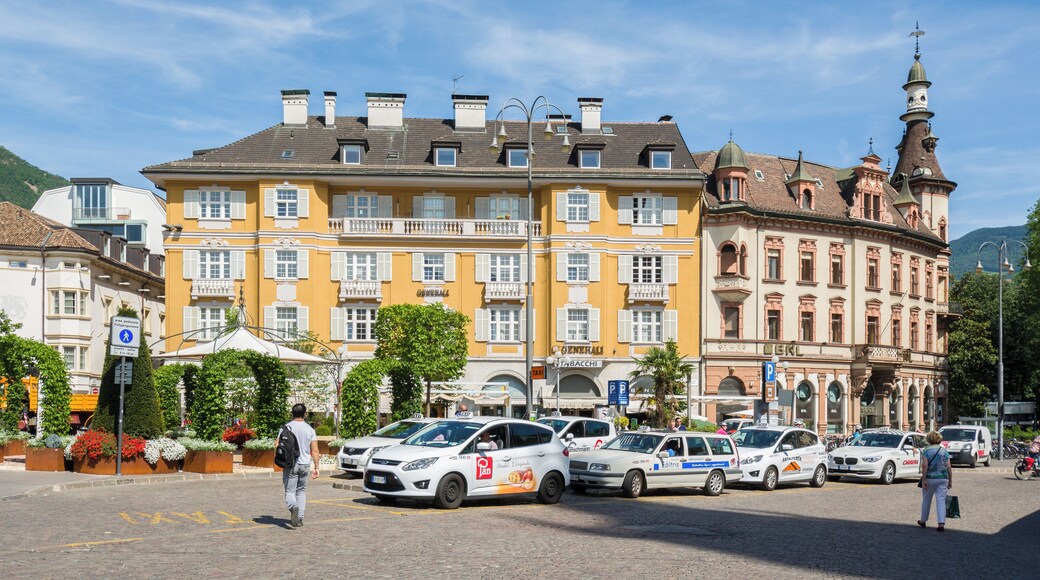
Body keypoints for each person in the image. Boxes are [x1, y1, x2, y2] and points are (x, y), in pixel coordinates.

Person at [282, 403, 319, 529]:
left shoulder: (286, 428)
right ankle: (300, 518)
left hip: (290, 464)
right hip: (305, 464)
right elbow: (314, 450)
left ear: (292, 413)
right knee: (301, 491)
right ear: (305, 414)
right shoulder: (310, 429)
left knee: (290, 490)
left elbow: (277, 446)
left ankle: (293, 507)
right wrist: (317, 467)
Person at [918, 430, 952, 532]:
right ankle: (941, 523)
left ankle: (923, 520)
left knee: (926, 499)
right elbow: (949, 467)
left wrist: (923, 479)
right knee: (941, 500)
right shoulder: (944, 451)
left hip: (930, 478)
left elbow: (924, 466)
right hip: (943, 478)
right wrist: (950, 480)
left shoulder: (926, 451)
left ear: (929, 440)